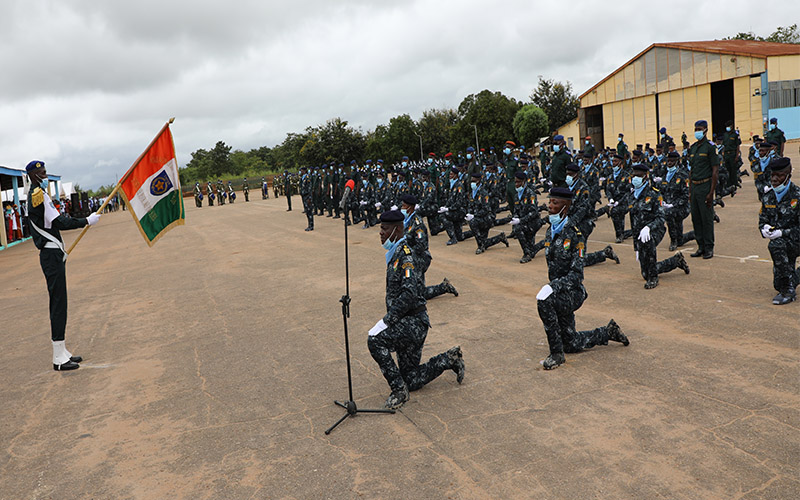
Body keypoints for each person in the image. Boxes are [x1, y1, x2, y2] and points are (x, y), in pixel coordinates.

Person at [367, 210, 465, 409]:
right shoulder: (394, 253)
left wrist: (388, 320)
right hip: (408, 321)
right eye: (381, 229)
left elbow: (410, 294)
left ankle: (398, 391)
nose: (381, 233)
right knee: (411, 379)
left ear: (397, 229)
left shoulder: (405, 255)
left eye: (385, 229)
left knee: (375, 341)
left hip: (413, 323)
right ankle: (449, 359)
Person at [535, 187, 629, 370]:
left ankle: (556, 355)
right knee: (571, 343)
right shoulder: (550, 232)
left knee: (544, 302)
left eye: (555, 203)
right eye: (550, 202)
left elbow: (577, 275)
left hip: (572, 292)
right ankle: (607, 332)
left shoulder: (576, 236)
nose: (550, 206)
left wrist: (553, 286)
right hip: (559, 292)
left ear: (566, 207)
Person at [25, 160, 101, 371]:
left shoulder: (39, 193)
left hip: (53, 252)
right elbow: (59, 222)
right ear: (33, 175)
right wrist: (85, 220)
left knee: (61, 301)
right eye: (42, 173)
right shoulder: (37, 196)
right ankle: (58, 357)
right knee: (58, 302)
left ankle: (62, 350)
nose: (46, 175)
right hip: (50, 254)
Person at [627, 163, 690, 289]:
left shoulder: (654, 194)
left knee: (648, 242)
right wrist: (636, 247)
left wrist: (649, 227)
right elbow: (633, 223)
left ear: (645, 177)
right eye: (634, 175)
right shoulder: (632, 195)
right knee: (645, 272)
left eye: (638, 176)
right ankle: (675, 261)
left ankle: (653, 278)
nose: (635, 178)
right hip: (640, 232)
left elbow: (661, 218)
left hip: (656, 229)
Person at [758, 157, 799, 305]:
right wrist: (765, 229)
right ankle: (790, 280)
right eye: (772, 175)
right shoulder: (768, 197)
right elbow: (762, 220)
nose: (775, 179)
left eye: (780, 175)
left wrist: (782, 233)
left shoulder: (798, 196)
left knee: (775, 244)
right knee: (777, 285)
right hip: (784, 244)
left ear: (788, 175)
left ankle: (789, 291)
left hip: (796, 241)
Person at [688, 119, 719, 259]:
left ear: (706, 130)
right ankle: (700, 246)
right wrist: (690, 191)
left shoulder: (710, 147)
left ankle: (709, 247)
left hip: (705, 185)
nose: (697, 132)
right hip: (694, 187)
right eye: (695, 129)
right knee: (696, 218)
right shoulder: (693, 148)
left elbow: (715, 171)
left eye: (699, 129)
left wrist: (711, 192)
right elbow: (691, 170)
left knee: (706, 218)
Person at [299, 166, 313, 231]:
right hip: (304, 196)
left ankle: (311, 225)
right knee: (307, 211)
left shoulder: (308, 178)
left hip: (307, 196)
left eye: (301, 170)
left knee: (309, 211)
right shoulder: (302, 178)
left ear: (304, 171)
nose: (300, 172)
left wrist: (310, 198)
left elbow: (310, 188)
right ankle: (309, 224)